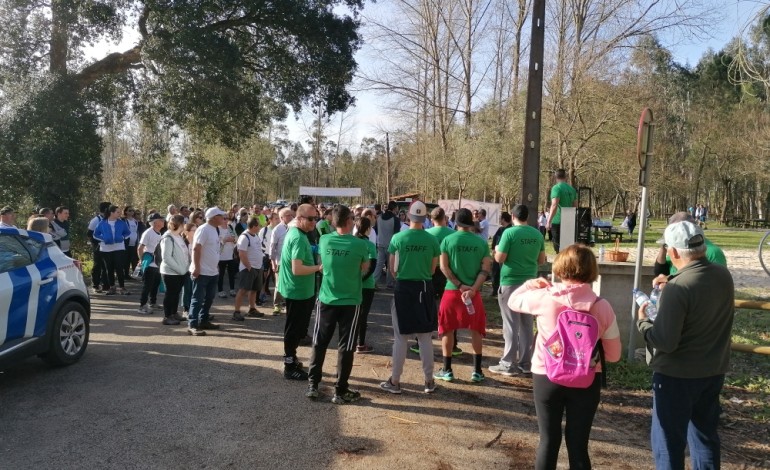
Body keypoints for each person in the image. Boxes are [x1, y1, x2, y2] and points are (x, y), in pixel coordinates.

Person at [508, 244, 622, 469]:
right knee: (578, 445)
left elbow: (513, 301)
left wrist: (532, 283)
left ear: (560, 269)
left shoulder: (544, 297)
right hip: (586, 380)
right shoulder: (602, 307)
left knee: (548, 441)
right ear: (592, 271)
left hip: (546, 376)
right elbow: (614, 355)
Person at [636, 221, 734, 470]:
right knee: (705, 438)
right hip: (713, 370)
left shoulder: (678, 288)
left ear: (674, 253)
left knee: (668, 444)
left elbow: (665, 341)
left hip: (676, 376)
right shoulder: (723, 276)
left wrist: (643, 323)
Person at [306, 205, 369, 404]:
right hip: (351, 301)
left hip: (327, 299)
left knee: (320, 342)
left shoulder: (324, 240)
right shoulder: (360, 245)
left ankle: (313, 386)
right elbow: (364, 268)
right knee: (346, 346)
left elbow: (322, 263)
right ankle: (340, 390)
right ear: (350, 221)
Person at [379, 201, 440, 395]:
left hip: (404, 288)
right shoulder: (432, 240)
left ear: (409, 216)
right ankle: (429, 381)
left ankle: (395, 381)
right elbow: (432, 269)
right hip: (424, 287)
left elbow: (392, 268)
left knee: (400, 338)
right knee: (425, 337)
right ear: (425, 218)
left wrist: (402, 277)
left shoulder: (398, 238)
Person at [434, 208, 492, 383]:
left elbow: (443, 267)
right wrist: (473, 288)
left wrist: (459, 285)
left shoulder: (447, 240)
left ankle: (447, 369)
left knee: (447, 329)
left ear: (456, 223)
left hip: (452, 292)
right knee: (476, 330)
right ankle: (477, 371)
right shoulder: (481, 243)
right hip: (473, 294)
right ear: (471, 223)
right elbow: (486, 269)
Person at [489, 204, 546, 377]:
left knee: (510, 324)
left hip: (510, 281)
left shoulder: (509, 233)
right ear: (527, 217)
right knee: (527, 324)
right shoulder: (537, 234)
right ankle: (526, 362)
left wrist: (496, 251)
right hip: (530, 283)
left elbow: (500, 258)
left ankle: (508, 363)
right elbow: (542, 260)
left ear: (512, 216)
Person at [278, 203, 322, 380]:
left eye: (316, 218)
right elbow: (297, 269)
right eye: (311, 219)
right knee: (293, 329)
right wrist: (319, 267)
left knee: (297, 329)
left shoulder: (300, 234)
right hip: (296, 290)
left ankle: (292, 359)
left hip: (301, 290)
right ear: (300, 218)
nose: (314, 222)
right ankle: (289, 366)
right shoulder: (297, 237)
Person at [653, 212, 726, 287]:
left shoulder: (713, 252)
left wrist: (671, 286)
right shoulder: (677, 248)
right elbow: (659, 272)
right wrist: (664, 246)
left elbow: (715, 284)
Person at [187, 207, 225, 335]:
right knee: (197, 298)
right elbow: (196, 249)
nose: (223, 218)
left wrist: (216, 265)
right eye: (221, 216)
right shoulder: (203, 230)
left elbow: (214, 249)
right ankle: (192, 324)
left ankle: (203, 320)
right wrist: (197, 267)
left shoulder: (215, 229)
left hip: (212, 271)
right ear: (214, 217)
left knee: (209, 298)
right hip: (202, 271)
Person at [93, 205, 131, 296]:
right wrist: (104, 238)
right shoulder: (102, 223)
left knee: (119, 267)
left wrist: (122, 237)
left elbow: (128, 233)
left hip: (119, 248)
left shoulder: (121, 223)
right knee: (109, 268)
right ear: (111, 213)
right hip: (106, 249)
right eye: (117, 212)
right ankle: (112, 287)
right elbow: (95, 234)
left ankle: (122, 287)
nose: (119, 214)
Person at [232, 217, 264, 321]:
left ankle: (252, 309)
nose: (260, 227)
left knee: (254, 290)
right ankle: (236, 312)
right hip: (248, 268)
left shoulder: (255, 235)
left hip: (257, 267)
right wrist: (249, 267)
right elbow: (242, 254)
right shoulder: (244, 237)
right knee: (243, 290)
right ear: (254, 226)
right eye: (259, 225)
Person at [159, 214, 189, 326]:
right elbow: (166, 257)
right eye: (184, 222)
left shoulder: (178, 236)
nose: (185, 225)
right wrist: (180, 269)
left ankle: (174, 313)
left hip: (180, 272)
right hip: (170, 272)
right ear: (180, 224)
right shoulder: (168, 238)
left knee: (176, 293)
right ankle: (167, 316)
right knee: (170, 293)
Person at [353, 216, 378, 353]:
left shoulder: (352, 242)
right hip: (366, 285)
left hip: (352, 283)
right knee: (363, 315)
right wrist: (362, 279)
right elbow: (372, 267)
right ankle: (360, 344)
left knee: (352, 314)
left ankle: (350, 343)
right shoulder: (370, 245)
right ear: (368, 229)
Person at [137, 213, 165, 312]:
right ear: (155, 222)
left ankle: (153, 303)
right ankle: (142, 306)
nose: (163, 221)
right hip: (150, 263)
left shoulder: (158, 232)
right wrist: (141, 260)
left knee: (155, 284)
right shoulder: (148, 233)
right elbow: (140, 248)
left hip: (157, 263)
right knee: (147, 285)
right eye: (161, 220)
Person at [545, 169, 577, 253]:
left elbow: (554, 205)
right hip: (569, 220)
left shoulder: (556, 188)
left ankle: (560, 263)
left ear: (555, 177)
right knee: (568, 247)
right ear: (565, 177)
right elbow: (575, 206)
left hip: (558, 220)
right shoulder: (572, 189)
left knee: (558, 246)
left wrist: (548, 221)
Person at [270, 207, 294, 314]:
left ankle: (287, 304)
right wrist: (273, 262)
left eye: (291, 215)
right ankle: (277, 305)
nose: (291, 217)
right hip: (279, 261)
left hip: (292, 261)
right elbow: (272, 247)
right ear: (281, 218)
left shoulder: (294, 228)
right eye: (288, 215)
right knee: (279, 284)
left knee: (290, 283)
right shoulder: (277, 230)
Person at [374, 201, 400, 288]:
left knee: (379, 264)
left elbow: (376, 230)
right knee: (390, 265)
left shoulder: (379, 217)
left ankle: (373, 282)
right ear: (395, 208)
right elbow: (397, 234)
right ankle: (389, 283)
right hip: (391, 245)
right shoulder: (395, 219)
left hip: (380, 244)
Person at [87, 201, 111, 293]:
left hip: (108, 247)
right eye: (109, 209)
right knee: (98, 265)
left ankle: (106, 284)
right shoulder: (95, 220)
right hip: (98, 246)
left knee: (107, 266)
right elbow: (89, 234)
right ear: (105, 210)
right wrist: (97, 243)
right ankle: (95, 284)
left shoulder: (109, 219)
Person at [490, 211, 512, 297]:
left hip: (500, 254)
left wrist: (494, 250)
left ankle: (496, 290)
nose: (499, 220)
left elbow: (496, 242)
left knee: (496, 272)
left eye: (500, 218)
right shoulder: (509, 229)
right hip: (507, 255)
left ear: (503, 219)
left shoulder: (503, 230)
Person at [217, 215, 238, 298]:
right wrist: (225, 240)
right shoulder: (217, 229)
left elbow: (236, 238)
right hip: (221, 256)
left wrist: (234, 239)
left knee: (231, 273)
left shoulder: (230, 227)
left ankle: (232, 289)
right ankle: (220, 290)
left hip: (231, 255)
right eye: (224, 219)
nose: (226, 220)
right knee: (221, 274)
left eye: (227, 218)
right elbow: (216, 242)